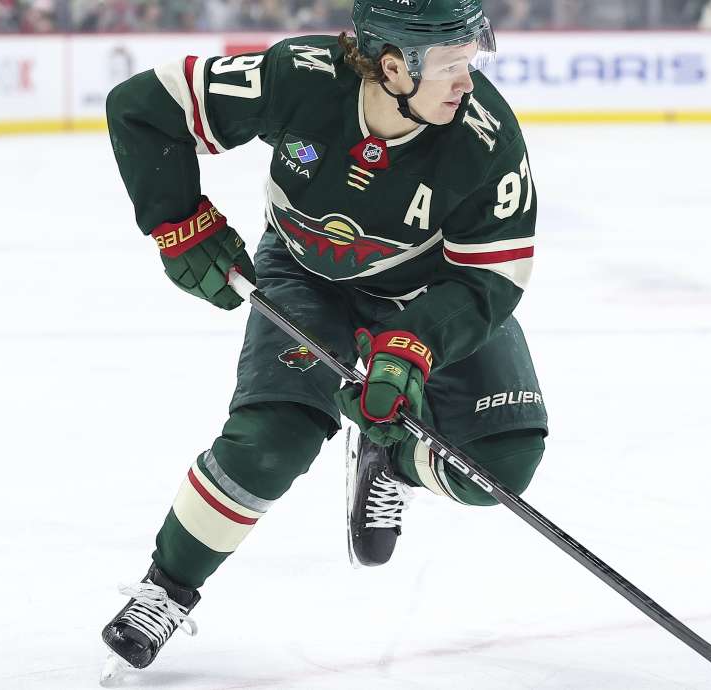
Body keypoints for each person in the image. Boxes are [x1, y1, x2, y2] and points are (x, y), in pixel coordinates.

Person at [99, 0, 547, 679]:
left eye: (470, 61)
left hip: (429, 294)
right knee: (269, 444)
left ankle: (390, 459)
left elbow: (492, 277)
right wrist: (177, 222)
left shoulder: (486, 139)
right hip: (305, 274)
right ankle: (166, 588)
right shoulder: (299, 77)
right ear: (393, 66)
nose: (468, 80)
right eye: (451, 65)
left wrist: (413, 345)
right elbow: (144, 105)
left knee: (499, 468)